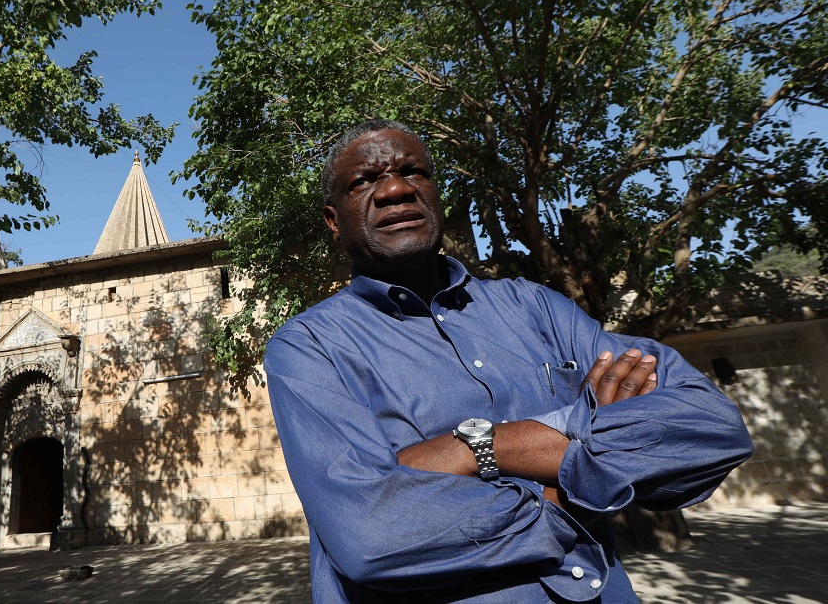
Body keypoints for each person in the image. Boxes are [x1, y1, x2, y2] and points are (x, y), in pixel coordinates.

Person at [264, 119, 754, 603]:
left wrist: (484, 447)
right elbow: (375, 534)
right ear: (334, 220)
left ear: (436, 194)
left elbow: (710, 426)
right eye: (364, 181)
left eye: (414, 171)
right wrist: (572, 488)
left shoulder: (535, 307)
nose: (394, 188)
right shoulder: (309, 348)